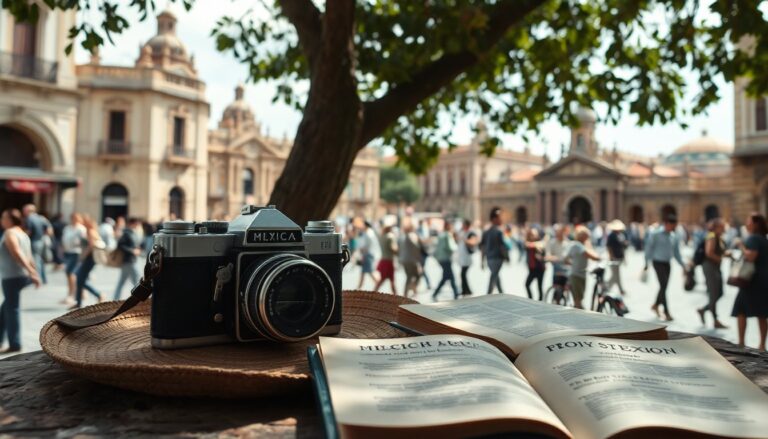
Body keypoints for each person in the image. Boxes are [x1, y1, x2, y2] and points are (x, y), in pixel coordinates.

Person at [0, 208, 41, 354]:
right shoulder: (23, 233)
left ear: (10, 220)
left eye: (3, 217)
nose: (1, 220)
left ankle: (15, 343)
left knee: (12, 309)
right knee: (6, 307)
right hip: (20, 275)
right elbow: (29, 256)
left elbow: (17, 253)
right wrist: (34, 272)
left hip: (12, 276)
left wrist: (32, 272)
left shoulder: (10, 232)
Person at [732, 213, 768, 350]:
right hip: (763, 279)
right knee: (762, 313)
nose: (747, 224)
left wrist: (741, 245)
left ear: (755, 224)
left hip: (752, 280)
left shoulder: (753, 238)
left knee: (741, 309)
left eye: (749, 221)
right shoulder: (764, 239)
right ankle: (762, 345)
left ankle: (741, 343)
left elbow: (751, 257)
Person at [644, 215, 686, 321]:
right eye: (672, 226)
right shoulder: (655, 234)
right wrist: (646, 262)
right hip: (657, 262)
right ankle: (666, 312)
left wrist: (683, 265)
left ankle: (655, 305)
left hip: (667, 263)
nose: (673, 228)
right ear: (666, 224)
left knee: (664, 286)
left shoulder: (673, 236)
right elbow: (648, 248)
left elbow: (676, 253)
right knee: (663, 285)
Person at [698, 218, 729, 329]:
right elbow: (709, 253)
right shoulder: (711, 236)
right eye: (722, 226)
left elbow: (719, 251)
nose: (724, 228)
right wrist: (719, 259)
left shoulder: (719, 237)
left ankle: (703, 310)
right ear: (716, 227)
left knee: (719, 293)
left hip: (715, 267)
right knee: (714, 293)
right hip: (709, 267)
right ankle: (715, 320)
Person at [73, 216, 105, 309]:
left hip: (89, 258)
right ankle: (78, 302)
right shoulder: (92, 231)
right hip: (90, 259)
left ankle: (98, 294)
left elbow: (91, 246)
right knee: (80, 279)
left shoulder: (90, 231)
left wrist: (83, 256)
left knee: (80, 278)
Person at [565, 226, 600, 309]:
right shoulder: (577, 245)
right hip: (576, 275)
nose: (588, 238)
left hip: (580, 274)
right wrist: (600, 258)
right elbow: (590, 255)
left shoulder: (578, 245)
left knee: (579, 298)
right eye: (586, 236)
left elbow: (566, 259)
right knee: (578, 300)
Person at [113, 217, 143, 300]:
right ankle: (138, 299)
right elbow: (120, 245)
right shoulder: (126, 233)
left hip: (131, 260)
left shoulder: (133, 232)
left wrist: (137, 249)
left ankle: (116, 298)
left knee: (123, 281)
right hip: (129, 260)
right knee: (137, 280)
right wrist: (132, 251)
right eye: (136, 224)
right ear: (131, 223)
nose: (137, 225)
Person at [61, 213, 86, 306]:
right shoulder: (67, 228)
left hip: (76, 252)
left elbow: (84, 241)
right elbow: (64, 238)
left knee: (70, 272)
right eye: (72, 218)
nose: (74, 220)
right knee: (72, 273)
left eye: (75, 218)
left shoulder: (81, 229)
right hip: (68, 251)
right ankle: (81, 292)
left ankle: (72, 294)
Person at [22, 204, 51, 284]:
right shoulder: (41, 218)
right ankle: (43, 278)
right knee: (40, 260)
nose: (23, 212)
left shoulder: (29, 219)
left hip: (34, 241)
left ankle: (37, 278)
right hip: (41, 241)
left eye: (24, 210)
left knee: (35, 260)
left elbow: (28, 232)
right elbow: (49, 231)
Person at [480, 207, 508, 295]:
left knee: (495, 275)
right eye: (500, 217)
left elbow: (483, 247)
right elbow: (502, 246)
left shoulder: (486, 231)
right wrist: (507, 257)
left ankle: (500, 294)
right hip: (497, 258)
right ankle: (490, 295)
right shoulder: (499, 232)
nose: (501, 219)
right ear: (494, 219)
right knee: (494, 276)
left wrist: (482, 260)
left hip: (489, 258)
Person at [432, 220, 459, 300]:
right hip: (446, 259)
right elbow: (450, 247)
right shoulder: (447, 235)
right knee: (450, 276)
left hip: (440, 259)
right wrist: (456, 246)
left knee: (446, 277)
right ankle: (456, 293)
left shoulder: (441, 235)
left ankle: (436, 293)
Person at [399, 219, 422, 298]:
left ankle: (409, 291)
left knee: (410, 276)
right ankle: (409, 290)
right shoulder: (410, 235)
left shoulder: (403, 236)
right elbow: (416, 247)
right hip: (411, 260)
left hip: (405, 259)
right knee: (415, 275)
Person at [373, 224, 398, 295]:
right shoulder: (390, 237)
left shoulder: (382, 236)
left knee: (384, 280)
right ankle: (396, 296)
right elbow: (393, 248)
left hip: (383, 260)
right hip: (389, 261)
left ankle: (374, 292)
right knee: (391, 280)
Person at [605, 219, 628, 295]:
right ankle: (606, 287)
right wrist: (611, 256)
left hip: (619, 256)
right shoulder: (611, 235)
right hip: (614, 257)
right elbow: (609, 246)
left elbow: (622, 246)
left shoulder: (620, 235)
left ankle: (609, 287)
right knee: (615, 275)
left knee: (616, 275)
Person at [546, 224, 570, 292]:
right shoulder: (552, 242)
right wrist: (551, 258)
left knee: (566, 286)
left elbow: (569, 256)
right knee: (556, 286)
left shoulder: (568, 243)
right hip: (556, 267)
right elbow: (548, 254)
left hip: (566, 267)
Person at [457, 219, 478, 296]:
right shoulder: (462, 232)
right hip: (462, 257)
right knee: (463, 274)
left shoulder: (471, 233)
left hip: (468, 258)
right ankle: (466, 290)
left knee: (463, 274)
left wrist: (464, 240)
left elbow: (473, 242)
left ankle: (466, 290)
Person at [355, 221, 378, 289]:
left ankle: (377, 284)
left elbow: (367, 246)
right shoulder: (369, 233)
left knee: (369, 272)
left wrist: (362, 250)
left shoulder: (368, 233)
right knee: (364, 272)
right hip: (368, 254)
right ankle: (359, 287)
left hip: (367, 255)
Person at [524, 228, 545, 300]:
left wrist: (538, 247)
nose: (533, 236)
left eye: (534, 234)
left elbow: (542, 247)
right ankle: (530, 299)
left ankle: (540, 301)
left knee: (539, 287)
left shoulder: (540, 242)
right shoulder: (529, 243)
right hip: (532, 268)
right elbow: (527, 245)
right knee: (527, 285)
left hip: (540, 268)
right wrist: (536, 245)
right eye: (531, 234)